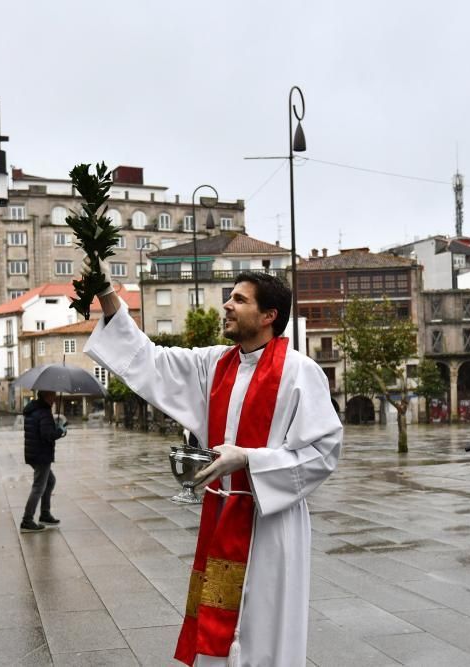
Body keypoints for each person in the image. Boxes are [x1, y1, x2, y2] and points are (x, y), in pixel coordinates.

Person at [85, 271, 343, 666]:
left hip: (271, 523)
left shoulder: (299, 371)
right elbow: (148, 359)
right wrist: (106, 293)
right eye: (230, 297)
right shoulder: (213, 364)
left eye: (239, 300)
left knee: (264, 623)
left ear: (269, 315)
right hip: (223, 512)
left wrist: (250, 459)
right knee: (221, 619)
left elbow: (324, 452)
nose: (227, 305)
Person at [21, 390, 65, 533]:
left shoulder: (34, 409)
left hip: (34, 453)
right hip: (41, 454)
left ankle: (45, 514)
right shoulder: (44, 412)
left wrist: (53, 425)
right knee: (39, 486)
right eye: (53, 395)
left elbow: (41, 430)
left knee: (50, 481)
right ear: (46, 396)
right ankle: (27, 520)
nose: (54, 398)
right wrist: (60, 431)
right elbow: (47, 435)